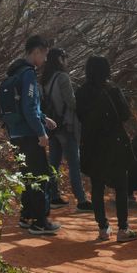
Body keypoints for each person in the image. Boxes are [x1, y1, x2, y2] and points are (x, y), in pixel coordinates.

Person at [0, 35, 60, 236]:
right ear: (36, 52)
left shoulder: (14, 72)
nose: (44, 59)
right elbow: (29, 107)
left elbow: (30, 107)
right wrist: (41, 132)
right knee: (41, 176)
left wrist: (44, 118)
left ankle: (26, 216)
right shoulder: (28, 75)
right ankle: (41, 222)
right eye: (44, 55)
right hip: (29, 134)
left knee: (27, 175)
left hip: (16, 133)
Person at [76, 55, 137, 243]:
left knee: (97, 186)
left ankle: (103, 228)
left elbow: (80, 117)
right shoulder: (112, 90)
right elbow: (125, 114)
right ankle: (123, 228)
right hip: (114, 142)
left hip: (92, 143)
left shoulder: (81, 92)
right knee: (121, 186)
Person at [41, 47, 89, 211]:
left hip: (51, 126)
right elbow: (71, 102)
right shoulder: (62, 77)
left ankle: (53, 197)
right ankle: (81, 200)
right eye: (65, 57)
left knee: (53, 163)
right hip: (66, 125)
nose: (67, 60)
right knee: (74, 163)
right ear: (60, 59)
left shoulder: (45, 78)